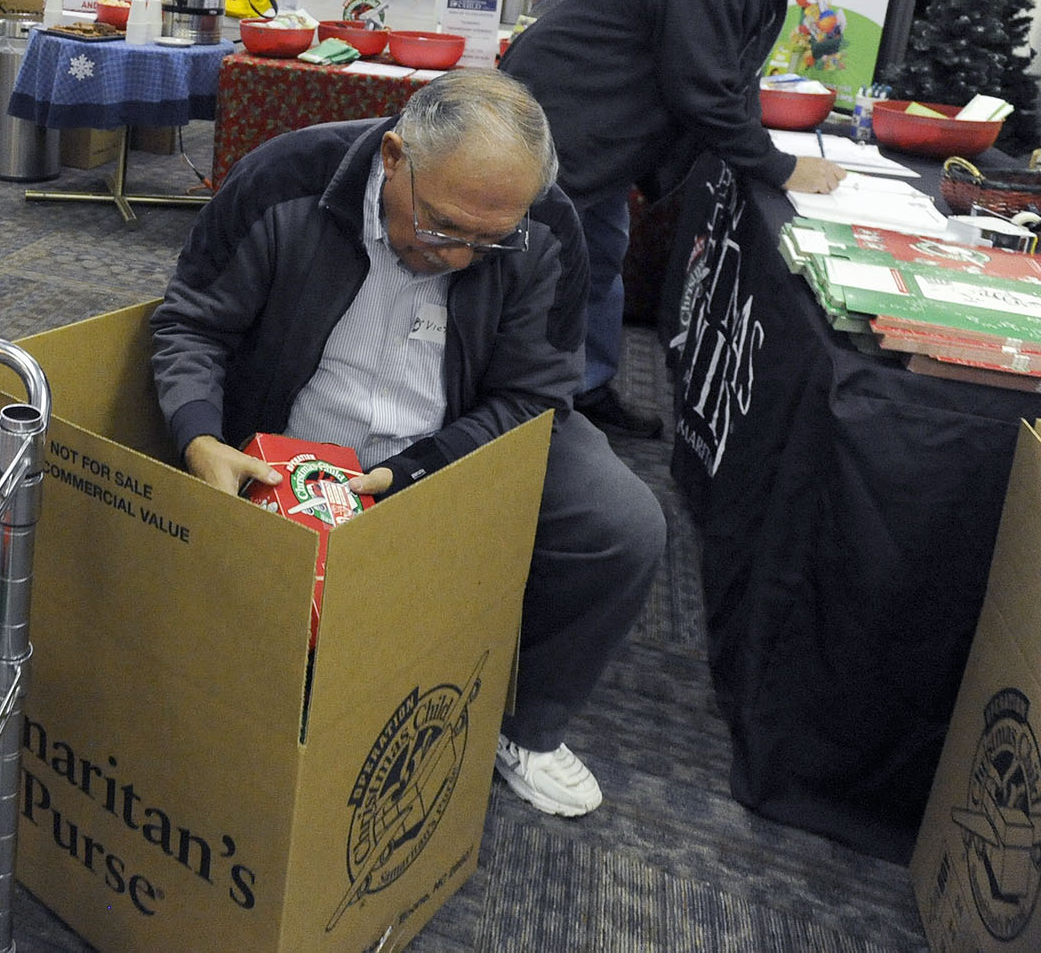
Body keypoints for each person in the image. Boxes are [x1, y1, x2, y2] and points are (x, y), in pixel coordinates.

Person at [149, 72, 665, 817]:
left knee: (623, 525)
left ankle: (527, 726)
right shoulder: (284, 176)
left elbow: (532, 396)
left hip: (449, 442)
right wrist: (199, 435)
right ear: (394, 157)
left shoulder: (545, 225)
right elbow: (192, 322)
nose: (462, 257)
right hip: (282, 444)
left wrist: (420, 468)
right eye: (443, 226)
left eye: (492, 240)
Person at [501, 0, 909, 435]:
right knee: (547, 271)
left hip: (602, 128)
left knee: (597, 262)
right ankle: (523, 412)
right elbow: (702, 87)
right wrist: (780, 166)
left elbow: (732, 74)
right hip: (563, 123)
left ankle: (582, 389)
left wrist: (765, 152)